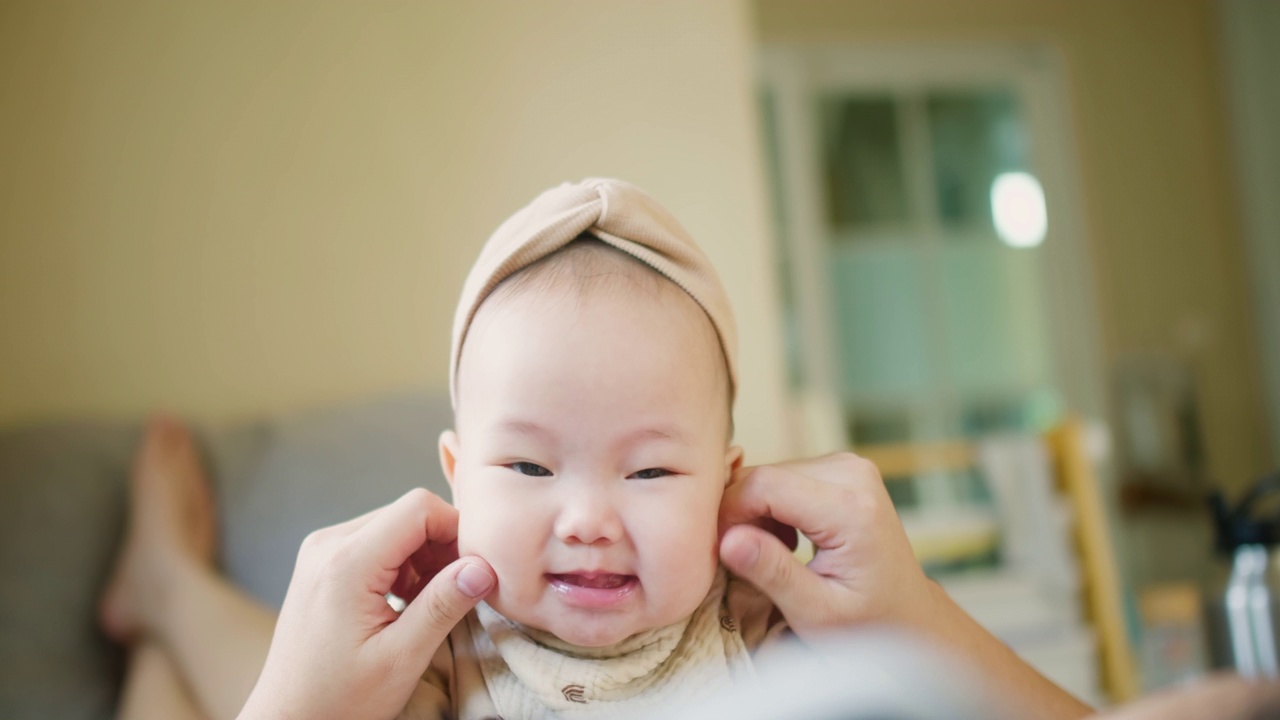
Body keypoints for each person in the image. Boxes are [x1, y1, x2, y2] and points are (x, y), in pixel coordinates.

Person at [102, 179, 1094, 719]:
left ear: (727, 490)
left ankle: (162, 609)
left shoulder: (759, 630)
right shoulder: (448, 657)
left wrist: (909, 623)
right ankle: (164, 603)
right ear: (455, 478)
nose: (585, 519)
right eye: (528, 468)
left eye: (653, 471)